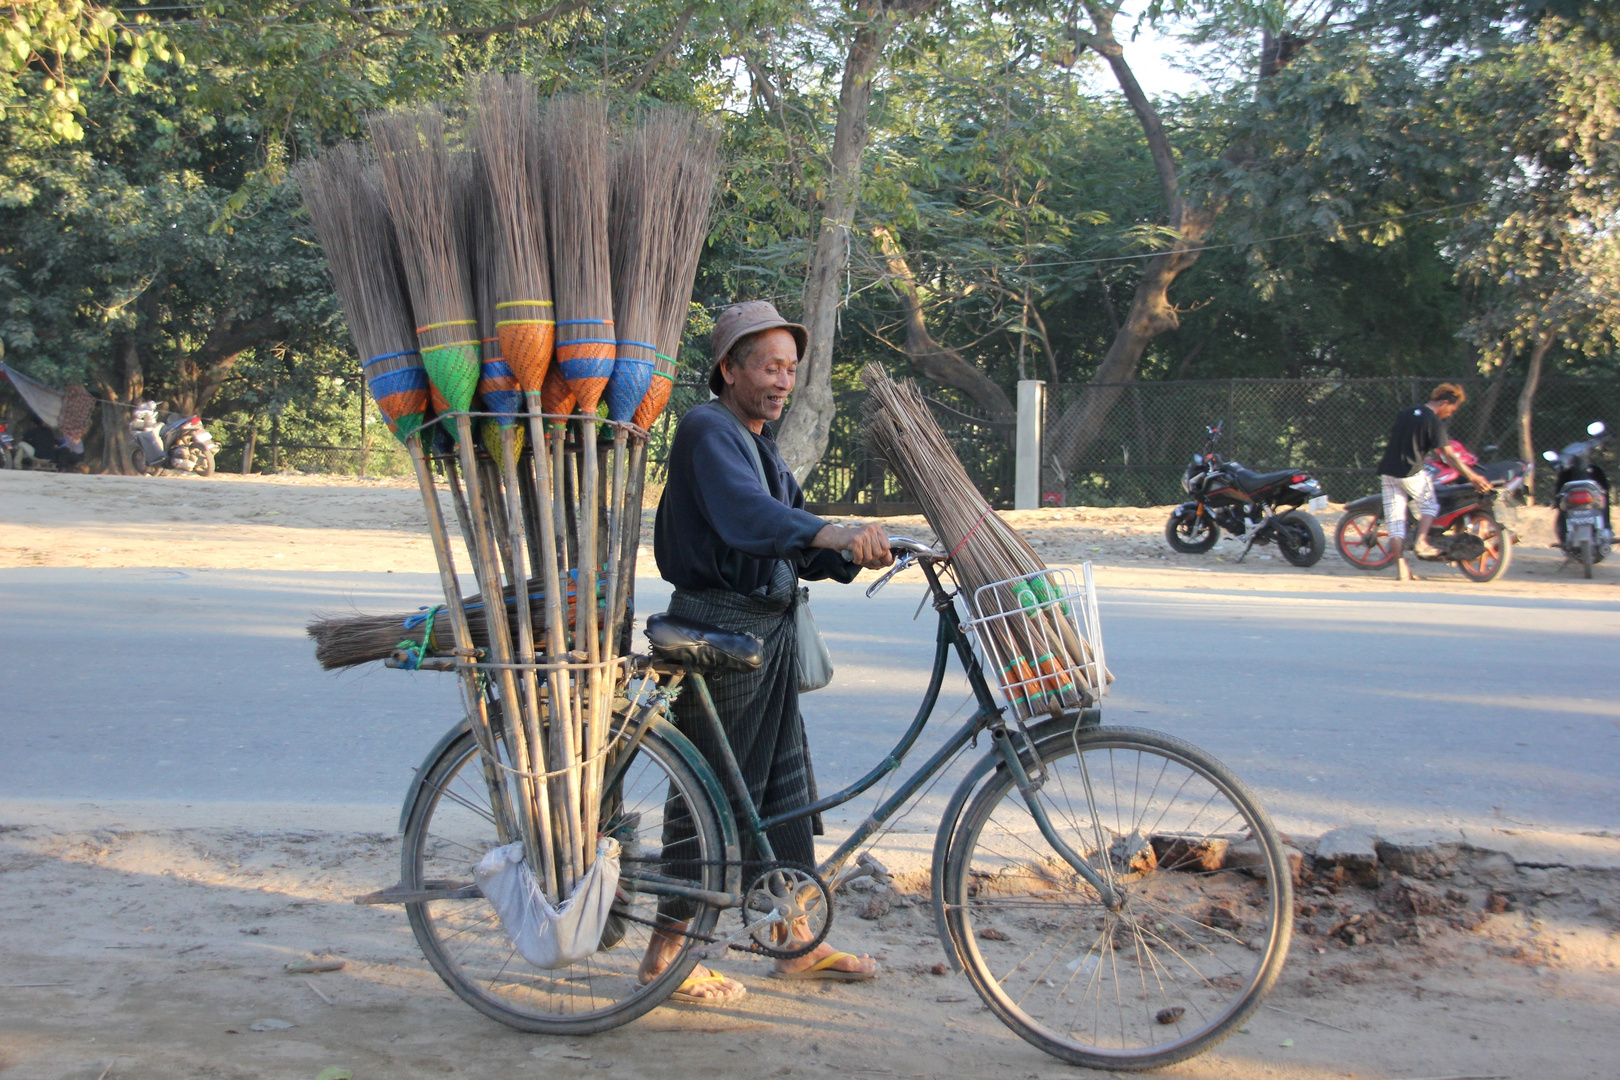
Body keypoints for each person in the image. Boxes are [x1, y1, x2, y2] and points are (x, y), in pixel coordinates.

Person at [638, 300, 895, 1006]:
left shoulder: (758, 444)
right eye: (769, 367)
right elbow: (750, 521)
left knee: (778, 794)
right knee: (714, 794)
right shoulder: (706, 430)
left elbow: (790, 542)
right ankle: (662, 954)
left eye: (790, 368)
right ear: (729, 369)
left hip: (760, 639)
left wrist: (859, 550)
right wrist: (832, 533)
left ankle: (791, 941)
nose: (783, 381)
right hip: (719, 636)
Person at [1375, 383, 1492, 578]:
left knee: (1395, 522)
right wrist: (1473, 476)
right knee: (1429, 505)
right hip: (1410, 472)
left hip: (1388, 471)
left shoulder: (1407, 412)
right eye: (1451, 409)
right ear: (1444, 403)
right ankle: (1421, 542)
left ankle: (1402, 570)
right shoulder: (1433, 422)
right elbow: (1449, 456)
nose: (1450, 414)